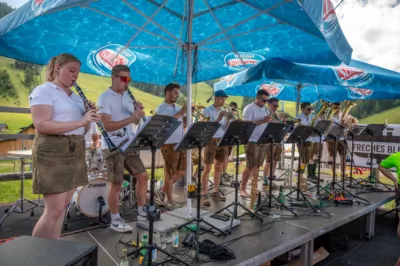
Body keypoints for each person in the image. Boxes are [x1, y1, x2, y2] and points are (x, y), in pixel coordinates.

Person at [29, 53, 99, 239]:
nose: (75, 76)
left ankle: (54, 247)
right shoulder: (44, 90)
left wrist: (87, 118)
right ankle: (33, 255)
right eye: (72, 70)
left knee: (64, 206)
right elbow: (41, 125)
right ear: (58, 67)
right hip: (53, 150)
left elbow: (81, 131)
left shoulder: (76, 98)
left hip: (75, 148)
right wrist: (80, 121)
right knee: (54, 209)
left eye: (78, 73)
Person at [98, 64, 148, 232]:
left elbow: (134, 122)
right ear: (114, 77)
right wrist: (131, 118)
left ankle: (142, 211)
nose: (127, 83)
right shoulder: (105, 98)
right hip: (113, 145)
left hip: (129, 143)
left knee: (143, 176)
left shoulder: (127, 96)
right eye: (124, 79)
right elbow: (107, 126)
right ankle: (115, 219)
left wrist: (137, 115)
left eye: (129, 79)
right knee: (117, 183)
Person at [154, 83, 186, 210]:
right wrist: (181, 112)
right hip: (168, 143)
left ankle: (162, 191)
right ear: (168, 93)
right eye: (175, 92)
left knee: (182, 170)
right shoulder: (161, 108)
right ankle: (170, 200)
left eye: (178, 93)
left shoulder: (178, 107)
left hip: (180, 142)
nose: (177, 95)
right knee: (170, 173)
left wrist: (187, 115)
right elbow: (166, 124)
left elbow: (184, 124)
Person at [240, 90, 272, 198]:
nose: (265, 102)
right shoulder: (249, 108)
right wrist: (262, 121)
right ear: (257, 98)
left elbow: (265, 123)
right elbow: (246, 124)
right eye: (264, 100)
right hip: (251, 140)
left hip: (262, 140)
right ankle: (242, 189)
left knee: (257, 166)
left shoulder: (265, 109)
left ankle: (254, 188)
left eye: (267, 101)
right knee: (250, 165)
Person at [200, 90, 229, 206]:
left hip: (222, 140)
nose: (223, 101)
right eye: (222, 98)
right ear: (216, 98)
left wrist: (229, 121)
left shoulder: (224, 111)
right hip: (211, 140)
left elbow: (224, 128)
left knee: (218, 167)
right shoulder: (206, 110)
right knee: (207, 168)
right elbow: (205, 127)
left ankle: (215, 190)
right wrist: (218, 118)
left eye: (224, 99)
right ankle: (204, 192)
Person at [262, 98, 283, 183]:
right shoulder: (266, 113)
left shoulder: (276, 114)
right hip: (270, 140)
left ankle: (271, 179)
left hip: (278, 140)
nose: (276, 107)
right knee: (269, 161)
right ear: (269, 105)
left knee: (275, 161)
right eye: (274, 105)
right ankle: (265, 181)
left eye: (277, 105)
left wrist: (282, 121)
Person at [296, 102, 318, 184]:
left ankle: (301, 177)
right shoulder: (300, 117)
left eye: (310, 109)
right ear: (302, 109)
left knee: (305, 161)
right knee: (303, 160)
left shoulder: (308, 117)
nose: (310, 111)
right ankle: (300, 177)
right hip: (303, 141)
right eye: (308, 109)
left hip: (309, 140)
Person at [221, 101, 238, 182]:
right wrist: (228, 119)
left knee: (227, 156)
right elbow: (224, 127)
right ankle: (222, 173)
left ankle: (224, 171)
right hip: (223, 137)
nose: (233, 111)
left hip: (230, 137)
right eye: (232, 109)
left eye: (234, 110)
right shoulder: (225, 116)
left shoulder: (233, 116)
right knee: (223, 157)